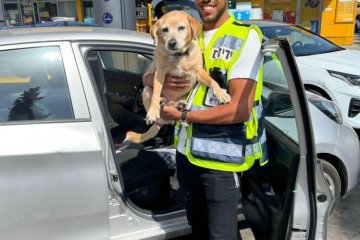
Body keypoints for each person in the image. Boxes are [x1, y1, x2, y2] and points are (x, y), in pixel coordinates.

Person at [144, 0, 267, 239]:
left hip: (220, 163)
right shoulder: (187, 31)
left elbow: (238, 110)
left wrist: (182, 115)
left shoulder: (243, 37)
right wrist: (155, 82)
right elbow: (152, 72)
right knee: (198, 230)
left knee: (221, 235)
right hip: (187, 155)